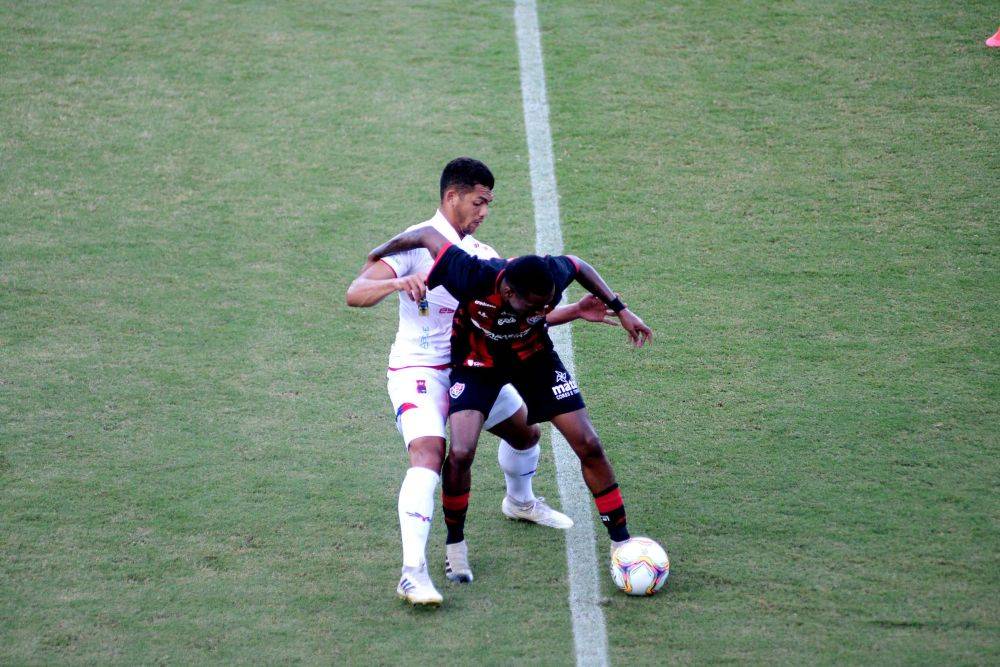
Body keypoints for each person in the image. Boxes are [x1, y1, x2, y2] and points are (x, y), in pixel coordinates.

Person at [346, 158, 617, 606]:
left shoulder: (483, 256)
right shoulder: (415, 246)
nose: (484, 211)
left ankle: (520, 501)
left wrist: (575, 312)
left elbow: (520, 318)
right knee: (431, 454)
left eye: (488, 203)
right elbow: (355, 292)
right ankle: (412, 573)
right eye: (479, 201)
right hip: (419, 371)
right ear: (452, 197)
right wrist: (397, 285)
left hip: (471, 368)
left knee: (526, 431)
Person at [366, 223, 653, 585]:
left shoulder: (549, 274)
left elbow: (578, 264)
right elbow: (425, 234)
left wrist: (620, 308)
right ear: (505, 289)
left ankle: (622, 543)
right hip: (476, 365)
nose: (541, 309)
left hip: (533, 358)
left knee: (588, 443)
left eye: (546, 303)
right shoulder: (470, 272)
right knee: (461, 452)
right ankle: (455, 546)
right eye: (532, 305)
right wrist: (382, 250)